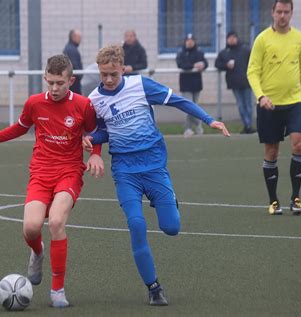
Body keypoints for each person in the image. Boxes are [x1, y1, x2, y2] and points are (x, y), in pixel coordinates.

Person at [83, 45, 229, 306]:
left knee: (171, 227)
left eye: (112, 74)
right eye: (103, 74)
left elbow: (179, 101)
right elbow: (105, 131)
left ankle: (168, 200)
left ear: (123, 69)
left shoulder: (140, 85)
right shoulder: (94, 99)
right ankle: (154, 288)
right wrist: (92, 139)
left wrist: (209, 120)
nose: (107, 79)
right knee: (136, 224)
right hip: (125, 170)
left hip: (153, 165)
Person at [0, 54, 104, 308]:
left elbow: (95, 132)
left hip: (69, 172)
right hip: (40, 172)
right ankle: (38, 253)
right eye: (50, 82)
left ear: (72, 80)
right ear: (44, 79)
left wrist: (94, 153)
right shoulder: (35, 104)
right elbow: (17, 128)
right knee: (31, 228)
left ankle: (57, 290)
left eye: (60, 83)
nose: (55, 88)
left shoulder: (83, 105)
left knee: (57, 221)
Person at [247, 0, 301, 215]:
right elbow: (252, 71)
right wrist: (261, 96)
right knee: (272, 151)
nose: (282, 16)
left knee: (298, 145)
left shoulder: (300, 39)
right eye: (279, 12)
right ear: (272, 13)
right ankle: (274, 201)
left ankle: (296, 198)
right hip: (269, 105)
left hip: (294, 102)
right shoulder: (262, 40)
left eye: (286, 12)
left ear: (292, 13)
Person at [215, 31, 256, 134]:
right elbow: (217, 63)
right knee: (241, 105)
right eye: (230, 38)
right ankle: (247, 125)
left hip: (246, 82)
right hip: (234, 83)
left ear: (237, 38)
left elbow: (254, 61)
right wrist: (226, 65)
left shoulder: (245, 50)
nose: (232, 40)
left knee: (248, 105)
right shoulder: (225, 52)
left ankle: (249, 125)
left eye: (234, 37)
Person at [176, 33, 208, 137]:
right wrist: (193, 65)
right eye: (187, 40)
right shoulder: (181, 53)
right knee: (188, 107)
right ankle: (191, 127)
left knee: (194, 106)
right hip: (185, 84)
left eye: (191, 40)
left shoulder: (199, 52)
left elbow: (205, 62)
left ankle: (193, 127)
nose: (189, 42)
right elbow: (181, 64)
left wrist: (203, 65)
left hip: (196, 84)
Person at [62, 29, 82, 94]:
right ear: (73, 37)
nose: (80, 39)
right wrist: (80, 75)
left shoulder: (70, 48)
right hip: (74, 83)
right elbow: (74, 65)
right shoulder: (71, 50)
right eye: (79, 37)